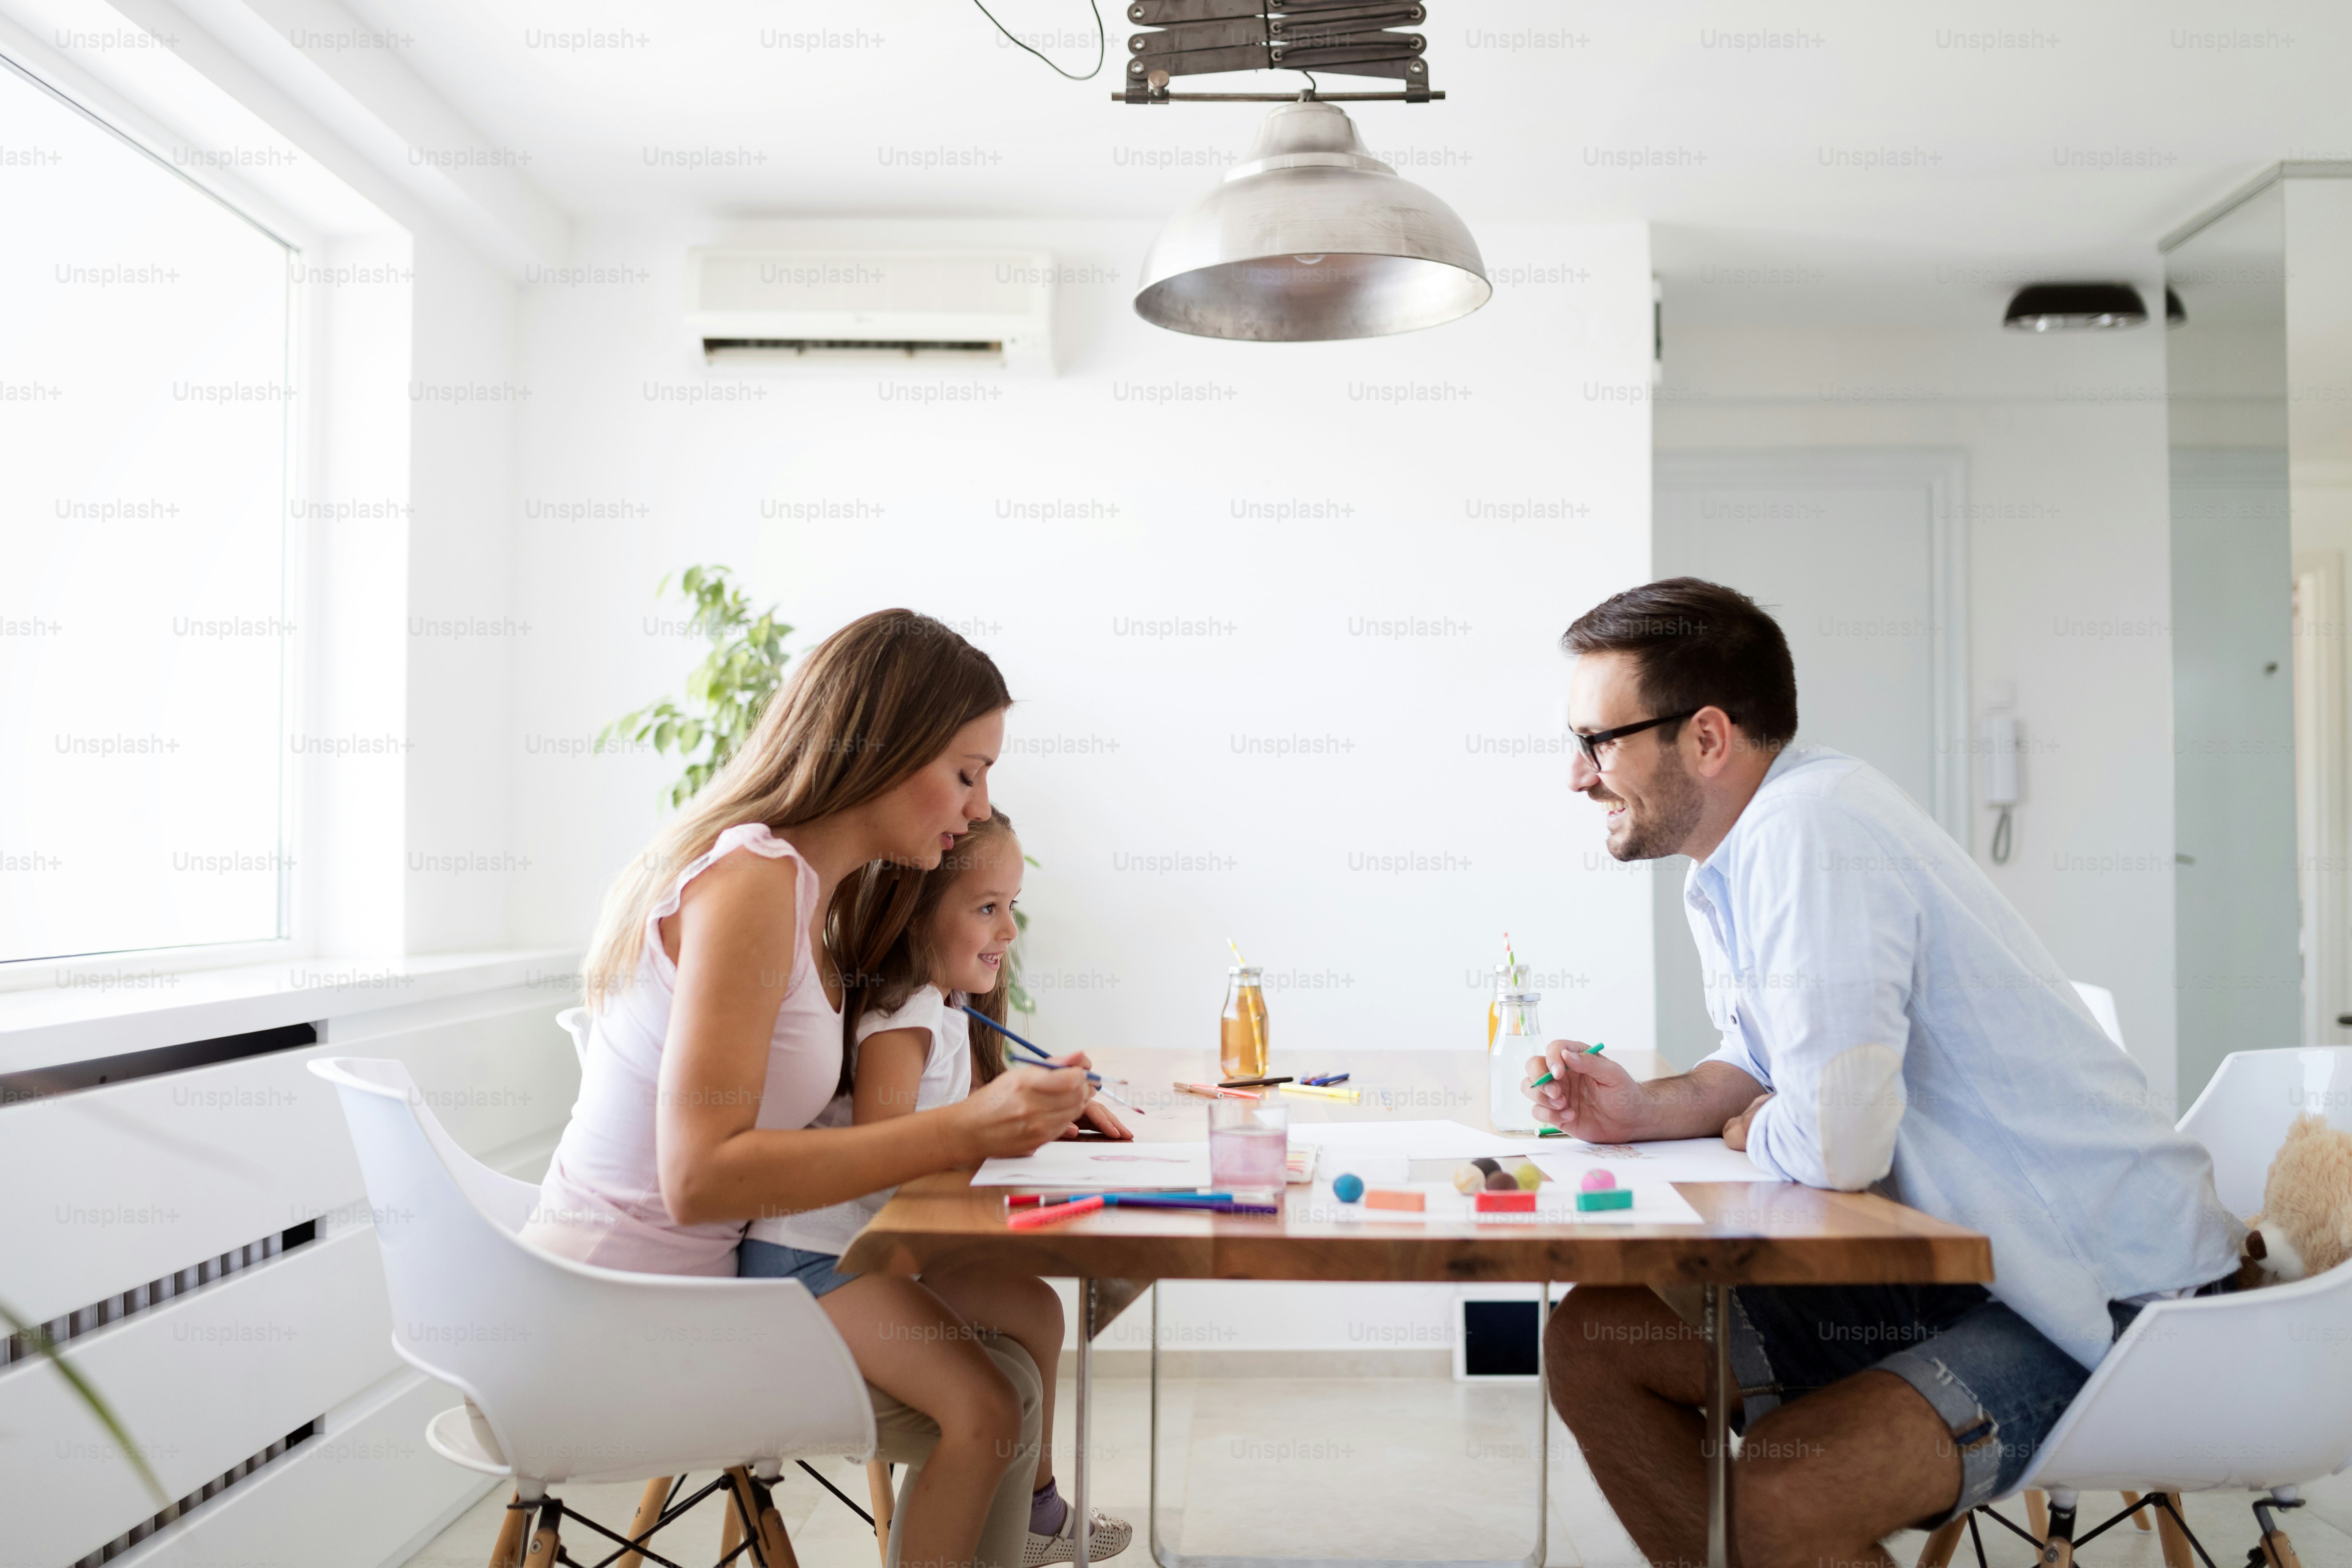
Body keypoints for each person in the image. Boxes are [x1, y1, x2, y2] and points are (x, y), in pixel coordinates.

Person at [1522, 578, 2243, 1568]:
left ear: (1704, 737)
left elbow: (1833, 1144)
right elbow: (1764, 1063)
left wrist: (1762, 1121)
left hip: (2105, 1305)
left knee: (1781, 1490)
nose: (1577, 775)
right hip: (1965, 1273)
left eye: (1598, 741)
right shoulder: (1733, 859)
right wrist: (1647, 1109)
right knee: (1594, 1342)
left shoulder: (1806, 835)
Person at [521, 609, 1096, 1568]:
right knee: (993, 1402)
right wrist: (963, 1129)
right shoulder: (752, 883)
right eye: (965, 770)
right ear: (884, 750)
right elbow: (700, 1179)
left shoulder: (801, 891)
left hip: (681, 1296)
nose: (977, 802)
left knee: (1007, 1374)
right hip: (615, 1325)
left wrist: (1001, 1120)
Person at [757, 807, 1135, 1565]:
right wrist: (1002, 1135)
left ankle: (1037, 1511)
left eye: (1011, 908)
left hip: (873, 1256)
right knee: (985, 1403)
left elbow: (946, 1134)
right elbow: (891, 1160)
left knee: (1033, 1304)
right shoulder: (902, 1019)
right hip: (813, 1267)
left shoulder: (946, 1010)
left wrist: (1029, 1118)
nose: (1008, 931)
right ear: (918, 916)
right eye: (986, 908)